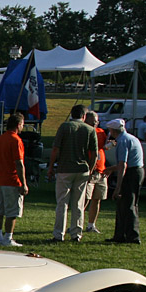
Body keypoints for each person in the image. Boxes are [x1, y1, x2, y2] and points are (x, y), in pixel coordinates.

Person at [46, 104, 97, 242]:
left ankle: (59, 234)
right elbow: (94, 154)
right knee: (78, 204)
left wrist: (51, 166)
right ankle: (76, 233)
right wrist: (90, 170)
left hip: (65, 168)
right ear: (84, 116)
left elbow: (56, 148)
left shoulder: (65, 127)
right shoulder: (90, 130)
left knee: (62, 203)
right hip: (82, 170)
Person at [0, 114, 29, 247]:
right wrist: (23, 183)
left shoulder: (0, 139)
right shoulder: (16, 140)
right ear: (18, 125)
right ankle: (8, 238)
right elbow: (19, 163)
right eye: (22, 124)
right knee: (12, 211)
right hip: (12, 180)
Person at [105, 119, 145, 244]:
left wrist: (118, 187)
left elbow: (123, 165)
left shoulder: (122, 142)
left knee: (128, 205)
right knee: (126, 204)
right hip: (138, 171)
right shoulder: (130, 138)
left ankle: (132, 236)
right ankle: (120, 235)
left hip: (131, 174)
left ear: (112, 131)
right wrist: (111, 169)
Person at [83, 111, 109, 234]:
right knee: (85, 199)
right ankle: (76, 224)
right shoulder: (84, 132)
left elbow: (102, 147)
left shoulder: (101, 132)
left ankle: (91, 225)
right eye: (93, 121)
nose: (95, 123)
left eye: (97, 121)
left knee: (97, 198)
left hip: (101, 170)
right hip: (89, 171)